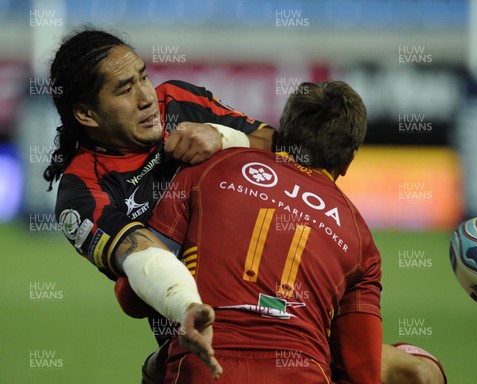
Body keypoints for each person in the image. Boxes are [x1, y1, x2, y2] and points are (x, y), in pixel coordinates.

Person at [46, 26, 445, 383]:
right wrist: (187, 304)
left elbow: (294, 152)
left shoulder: (182, 103)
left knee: (415, 371)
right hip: (200, 327)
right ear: (86, 112)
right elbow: (142, 261)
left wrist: (221, 136)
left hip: (277, 319)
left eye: (143, 77)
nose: (146, 96)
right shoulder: (81, 192)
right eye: (124, 89)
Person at [125, 80, 381, 383]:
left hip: (205, 367)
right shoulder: (360, 236)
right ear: (349, 161)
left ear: (280, 132)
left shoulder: (207, 168)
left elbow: (133, 296)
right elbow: (362, 372)